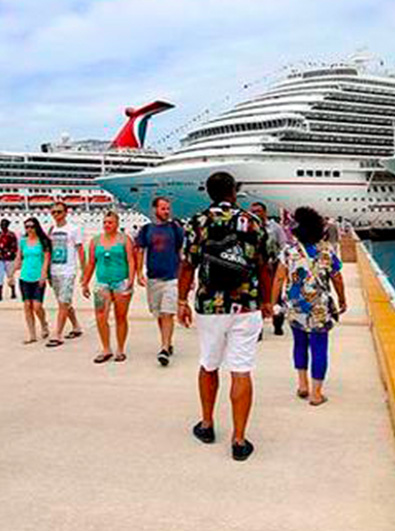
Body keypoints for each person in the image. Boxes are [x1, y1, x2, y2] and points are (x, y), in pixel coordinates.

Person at [177, 172, 272, 462]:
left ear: (209, 193)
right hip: (246, 305)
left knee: (208, 364)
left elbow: (187, 265)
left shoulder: (197, 221)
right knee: (241, 370)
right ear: (233, 192)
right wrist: (267, 301)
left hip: (210, 306)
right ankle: (239, 440)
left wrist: (182, 300)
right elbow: (264, 265)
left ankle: (207, 425)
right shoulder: (253, 222)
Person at [269, 206, 348, 407]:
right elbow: (337, 278)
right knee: (319, 347)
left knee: (300, 343)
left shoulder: (289, 251)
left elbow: (278, 278)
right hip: (319, 307)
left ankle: (302, 385)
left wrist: (272, 302)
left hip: (295, 306)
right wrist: (342, 299)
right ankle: (316, 394)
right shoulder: (326, 252)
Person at [134, 197, 185, 366]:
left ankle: (163, 348)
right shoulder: (146, 229)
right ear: (155, 209)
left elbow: (180, 252)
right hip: (153, 278)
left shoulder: (175, 228)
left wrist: (184, 276)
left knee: (167, 313)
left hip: (172, 278)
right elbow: (140, 251)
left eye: (168, 208)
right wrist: (139, 272)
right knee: (158, 315)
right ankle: (167, 342)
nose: (167, 211)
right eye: (163, 208)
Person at [81, 211, 136, 363]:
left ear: (117, 224)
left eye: (110, 222)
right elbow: (91, 263)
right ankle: (106, 349)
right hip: (102, 283)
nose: (107, 225)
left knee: (120, 316)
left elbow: (131, 260)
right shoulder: (95, 241)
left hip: (121, 282)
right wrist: (85, 282)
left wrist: (131, 279)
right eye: (105, 222)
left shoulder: (125, 240)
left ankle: (120, 349)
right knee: (100, 316)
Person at [46, 202, 86, 344]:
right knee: (64, 302)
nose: (56, 215)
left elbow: (81, 251)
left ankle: (57, 334)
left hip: (68, 271)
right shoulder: (51, 230)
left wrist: (84, 272)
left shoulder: (74, 229)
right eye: (53, 212)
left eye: (59, 212)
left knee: (63, 302)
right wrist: (45, 271)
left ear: (66, 212)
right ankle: (76, 327)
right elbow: (48, 252)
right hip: (53, 271)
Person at [249, 202, 288, 336]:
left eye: (258, 211)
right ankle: (258, 329)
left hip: (273, 268)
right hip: (254, 269)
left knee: (275, 297)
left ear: (265, 212)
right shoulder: (249, 227)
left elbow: (284, 246)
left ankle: (278, 324)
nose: (255, 214)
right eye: (253, 211)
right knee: (256, 297)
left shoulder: (275, 228)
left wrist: (278, 263)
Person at [13, 218, 52, 344]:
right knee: (27, 306)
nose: (29, 229)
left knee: (37, 306)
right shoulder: (23, 242)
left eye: (31, 226)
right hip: (24, 277)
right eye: (27, 227)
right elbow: (19, 258)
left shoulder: (43, 241)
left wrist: (44, 275)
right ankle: (32, 334)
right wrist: (10, 275)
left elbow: (46, 259)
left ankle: (43, 324)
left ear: (37, 227)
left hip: (38, 277)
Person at [0, 220, 19, 302]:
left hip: (8, 259)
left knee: (10, 276)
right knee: (0, 276)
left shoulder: (11, 235)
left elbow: (14, 246)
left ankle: (13, 292)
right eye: (1, 225)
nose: (2, 226)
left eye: (4, 225)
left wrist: (10, 253)